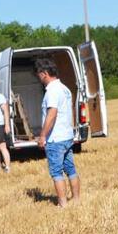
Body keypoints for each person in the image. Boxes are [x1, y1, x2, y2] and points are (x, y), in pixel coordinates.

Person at [35, 58, 80, 206]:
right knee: (71, 169)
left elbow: (52, 114)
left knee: (56, 172)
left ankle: (63, 204)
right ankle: (76, 200)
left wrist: (42, 136)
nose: (38, 77)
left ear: (44, 74)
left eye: (39, 74)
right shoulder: (64, 88)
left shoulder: (52, 91)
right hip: (67, 136)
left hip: (55, 139)